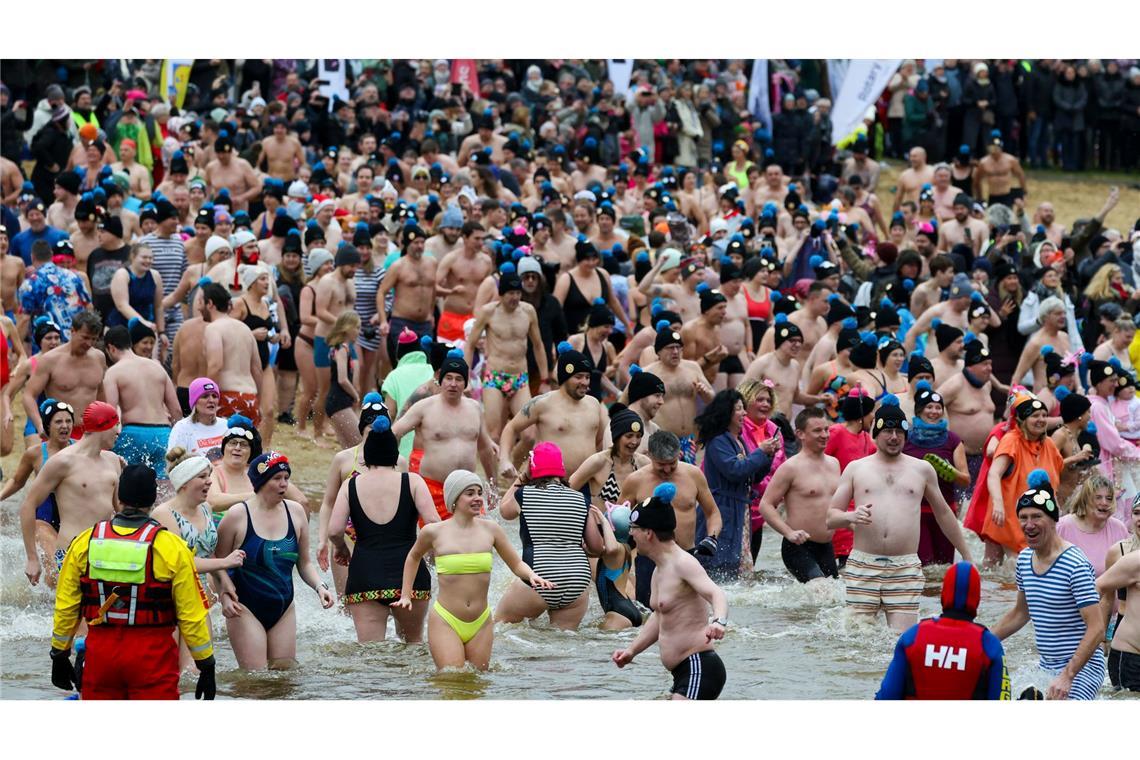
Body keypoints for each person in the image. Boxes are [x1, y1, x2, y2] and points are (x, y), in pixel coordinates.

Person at [49, 465, 217, 700]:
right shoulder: (172, 548)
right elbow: (192, 614)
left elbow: (66, 605)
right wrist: (206, 664)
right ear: (153, 499)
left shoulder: (84, 542)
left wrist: (59, 653)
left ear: (119, 498)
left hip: (101, 657)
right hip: (153, 658)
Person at [827, 395, 974, 630]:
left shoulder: (922, 470)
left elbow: (944, 514)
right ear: (876, 433)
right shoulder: (856, 468)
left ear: (906, 434)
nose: (894, 437)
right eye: (888, 431)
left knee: (901, 640)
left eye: (900, 431)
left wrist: (967, 556)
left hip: (904, 567)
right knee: (856, 643)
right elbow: (830, 517)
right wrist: (849, 517)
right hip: (863, 565)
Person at [391, 470, 553, 671]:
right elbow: (413, 557)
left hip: (482, 621)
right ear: (454, 498)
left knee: (478, 683)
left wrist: (532, 575)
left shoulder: (491, 529)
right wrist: (406, 594)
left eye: (479, 492)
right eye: (470, 493)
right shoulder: (433, 532)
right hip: (445, 620)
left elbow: (516, 564)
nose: (478, 498)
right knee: (453, 679)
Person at [991, 471, 1107, 700]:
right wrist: (980, 641)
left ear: (1054, 520)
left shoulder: (1075, 564)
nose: (1029, 524)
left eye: (1036, 517)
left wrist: (1067, 675)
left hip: (1083, 669)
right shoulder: (1024, 559)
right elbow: (1020, 614)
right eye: (1023, 518)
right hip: (1046, 666)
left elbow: (1097, 628)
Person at [215, 451, 335, 670]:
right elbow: (218, 563)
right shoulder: (236, 516)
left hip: (283, 608)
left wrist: (320, 587)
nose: (284, 485)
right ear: (261, 482)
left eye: (286, 479)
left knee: (285, 677)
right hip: (245, 607)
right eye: (277, 479)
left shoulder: (296, 513)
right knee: (256, 680)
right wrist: (224, 595)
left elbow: (305, 562)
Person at [611, 483, 729, 700]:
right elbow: (660, 616)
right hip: (683, 672)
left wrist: (718, 621)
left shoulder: (683, 563)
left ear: (648, 533)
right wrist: (632, 651)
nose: (631, 535)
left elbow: (716, 593)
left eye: (633, 529)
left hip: (699, 667)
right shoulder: (659, 570)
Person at [328, 416, 441, 643]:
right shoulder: (413, 482)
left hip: (365, 575)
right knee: (413, 645)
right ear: (394, 454)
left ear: (367, 456)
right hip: (410, 577)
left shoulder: (351, 485)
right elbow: (434, 524)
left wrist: (341, 548)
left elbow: (334, 530)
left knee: (370, 655)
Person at [496, 442, 604, 629]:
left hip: (539, 577)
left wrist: (522, 477)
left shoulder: (525, 494)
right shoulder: (580, 499)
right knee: (561, 645)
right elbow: (596, 547)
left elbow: (505, 511)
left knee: (498, 627)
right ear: (560, 469)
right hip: (576, 582)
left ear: (532, 467)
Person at [21, 402, 124, 586]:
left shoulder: (113, 460)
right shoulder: (62, 462)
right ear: (101, 427)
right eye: (114, 426)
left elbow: (121, 511)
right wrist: (32, 558)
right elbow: (28, 504)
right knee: (70, 613)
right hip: (71, 554)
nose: (118, 432)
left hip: (104, 553)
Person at [876, 562, 1011, 700]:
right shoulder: (989, 645)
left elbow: (886, 696)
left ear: (943, 594)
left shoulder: (913, 636)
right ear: (977, 599)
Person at [620, 430, 723, 606]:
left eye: (672, 463)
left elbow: (713, 513)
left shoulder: (693, 474)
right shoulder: (635, 480)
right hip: (649, 560)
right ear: (650, 455)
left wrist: (711, 537)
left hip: (686, 556)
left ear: (679, 455)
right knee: (648, 612)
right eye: (661, 464)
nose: (667, 469)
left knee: (690, 613)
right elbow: (620, 517)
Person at [391, 350, 496, 520]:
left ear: (465, 383)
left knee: (475, 541)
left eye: (459, 379)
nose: (453, 384)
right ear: (441, 380)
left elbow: (484, 449)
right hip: (433, 489)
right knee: (435, 543)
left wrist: (493, 486)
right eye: (449, 378)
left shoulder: (475, 408)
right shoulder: (424, 407)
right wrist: (392, 468)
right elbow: (394, 433)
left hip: (467, 490)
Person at [498, 342, 608, 479]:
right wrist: (504, 459)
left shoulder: (594, 404)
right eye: (578, 377)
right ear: (565, 378)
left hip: (585, 483)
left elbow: (599, 439)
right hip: (549, 483)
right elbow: (511, 428)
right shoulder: (542, 403)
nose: (585, 382)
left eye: (587, 377)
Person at [694, 389, 772, 580]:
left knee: (736, 567)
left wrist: (767, 456)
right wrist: (760, 452)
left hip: (739, 510)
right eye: (739, 409)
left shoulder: (738, 440)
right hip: (721, 508)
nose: (744, 413)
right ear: (726, 412)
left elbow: (751, 477)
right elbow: (735, 470)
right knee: (718, 564)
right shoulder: (718, 441)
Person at [759, 407, 841, 584]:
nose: (824, 435)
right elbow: (765, 505)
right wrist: (789, 533)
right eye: (817, 430)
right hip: (797, 546)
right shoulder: (791, 467)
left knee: (835, 599)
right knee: (822, 591)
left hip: (826, 546)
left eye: (826, 429)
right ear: (800, 434)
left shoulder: (834, 464)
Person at [465, 269, 550, 439]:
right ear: (501, 294)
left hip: (520, 378)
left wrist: (544, 379)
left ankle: (513, 465)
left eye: (518, 293)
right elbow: (470, 345)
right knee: (493, 435)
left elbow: (538, 345)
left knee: (529, 435)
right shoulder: (488, 312)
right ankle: (492, 466)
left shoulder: (528, 311)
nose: (515, 297)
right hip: (495, 377)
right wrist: (466, 377)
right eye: (511, 293)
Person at [0, 398, 74, 586]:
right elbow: (17, 481)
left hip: (72, 520)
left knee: (69, 573)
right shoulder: (35, 454)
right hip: (43, 520)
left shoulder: (81, 449)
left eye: (68, 421)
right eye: (58, 422)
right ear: (48, 425)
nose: (65, 426)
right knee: (58, 571)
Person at [982, 393, 1064, 558]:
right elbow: (994, 474)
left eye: (1044, 415)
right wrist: (998, 504)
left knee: (1004, 569)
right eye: (1035, 416)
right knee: (1006, 568)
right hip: (1007, 516)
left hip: (1036, 517)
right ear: (1023, 420)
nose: (1041, 419)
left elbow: (1055, 479)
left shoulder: (1049, 444)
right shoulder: (1011, 441)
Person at [904, 380, 971, 566]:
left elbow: (965, 480)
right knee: (924, 566)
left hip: (945, 511)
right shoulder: (905, 438)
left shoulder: (953, 440)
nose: (934, 411)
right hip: (915, 512)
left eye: (938, 407)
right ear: (918, 411)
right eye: (929, 407)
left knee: (944, 568)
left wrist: (949, 471)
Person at [103, 324, 181, 477]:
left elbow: (110, 413)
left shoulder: (114, 372)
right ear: (130, 344)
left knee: (130, 487)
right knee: (164, 487)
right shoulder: (157, 367)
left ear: (111, 348)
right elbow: (176, 410)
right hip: (163, 434)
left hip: (133, 434)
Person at [737, 378, 786, 562]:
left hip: (764, 507)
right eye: (759, 399)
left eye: (768, 400)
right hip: (740, 505)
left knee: (751, 564)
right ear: (745, 400)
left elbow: (782, 466)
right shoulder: (736, 429)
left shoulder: (774, 430)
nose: (765, 404)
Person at [202, 282, 263, 426]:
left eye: (201, 302)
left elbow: (215, 366)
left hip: (226, 397)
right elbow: (257, 370)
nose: (199, 308)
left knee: (220, 447)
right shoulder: (245, 329)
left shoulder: (213, 329)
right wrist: (258, 400)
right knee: (246, 447)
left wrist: (207, 399)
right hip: (250, 397)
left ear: (210, 303)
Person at [1098, 496, 1140, 691]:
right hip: (1128, 641)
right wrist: (1099, 637)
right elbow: (1103, 595)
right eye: (1137, 513)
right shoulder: (1123, 554)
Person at [570, 405, 650, 507]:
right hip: (602, 522)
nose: (634, 442)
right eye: (629, 436)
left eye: (638, 436)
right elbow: (568, 491)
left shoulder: (644, 463)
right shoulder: (598, 461)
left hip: (634, 523)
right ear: (616, 437)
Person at [1056, 474, 1129, 577]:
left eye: (1108, 498)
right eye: (1098, 497)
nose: (1104, 503)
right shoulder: (1063, 526)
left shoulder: (1119, 528)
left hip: (1109, 592)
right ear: (1085, 500)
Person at [435, 222, 493, 343]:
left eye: (482, 239)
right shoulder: (451, 259)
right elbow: (433, 287)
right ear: (465, 238)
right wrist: (450, 291)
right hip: (452, 317)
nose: (481, 243)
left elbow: (492, 290)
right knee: (446, 359)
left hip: (476, 319)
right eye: (476, 239)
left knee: (474, 360)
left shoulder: (486, 261)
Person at [167, 377, 229, 461]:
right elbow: (173, 463)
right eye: (205, 396)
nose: (211, 400)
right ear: (194, 402)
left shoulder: (226, 425)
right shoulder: (182, 427)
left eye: (214, 396)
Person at [324, 311, 362, 448]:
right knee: (358, 443)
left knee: (348, 449)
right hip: (339, 402)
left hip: (337, 401)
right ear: (347, 328)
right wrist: (356, 395)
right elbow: (342, 379)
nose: (359, 332)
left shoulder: (337, 348)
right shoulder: (342, 349)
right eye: (357, 328)